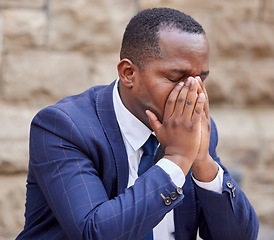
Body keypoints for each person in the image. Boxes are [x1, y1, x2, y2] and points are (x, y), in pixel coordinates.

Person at [17, 7, 259, 240]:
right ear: (128, 73)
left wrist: (203, 163)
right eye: (176, 78)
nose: (193, 93)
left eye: (201, 79)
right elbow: (94, 232)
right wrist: (176, 160)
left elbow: (240, 236)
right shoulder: (63, 127)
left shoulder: (195, 130)